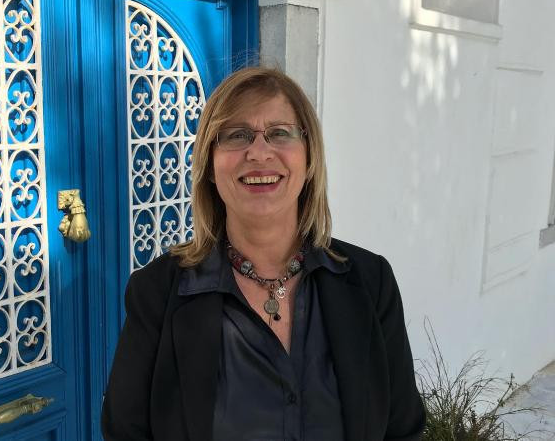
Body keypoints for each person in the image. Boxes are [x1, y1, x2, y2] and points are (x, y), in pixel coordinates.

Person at [101, 67, 425, 440]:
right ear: (210, 166)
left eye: (280, 133)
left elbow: (403, 429)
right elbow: (125, 432)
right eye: (236, 135)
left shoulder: (371, 282)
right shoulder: (157, 293)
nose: (258, 152)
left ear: (309, 159)